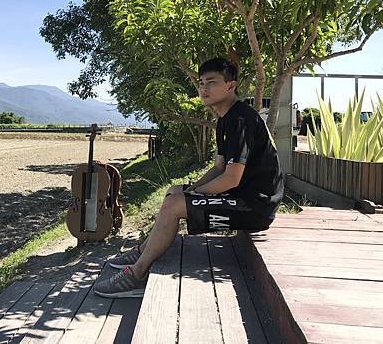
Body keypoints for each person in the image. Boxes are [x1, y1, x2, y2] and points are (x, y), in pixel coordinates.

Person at [94, 57, 284, 298]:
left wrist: (192, 195)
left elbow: (231, 179)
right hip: (242, 197)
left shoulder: (240, 120)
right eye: (201, 83)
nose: (204, 88)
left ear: (230, 85)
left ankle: (137, 274)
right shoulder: (225, 120)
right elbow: (219, 168)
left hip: (255, 207)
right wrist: (191, 189)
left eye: (212, 82)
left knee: (175, 204)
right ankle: (142, 251)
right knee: (174, 192)